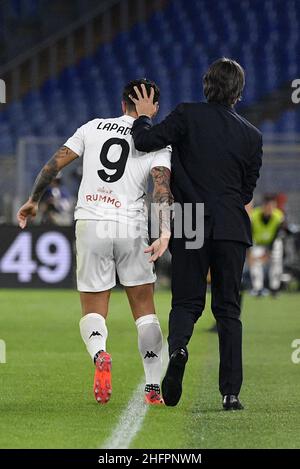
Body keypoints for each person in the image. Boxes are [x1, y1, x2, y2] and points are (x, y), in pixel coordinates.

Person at [17, 79, 173, 406]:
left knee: (93, 309)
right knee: (144, 310)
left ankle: (100, 353)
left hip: (90, 222)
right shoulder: (159, 141)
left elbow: (52, 165)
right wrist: (164, 232)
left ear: (121, 104)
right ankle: (153, 386)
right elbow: (161, 190)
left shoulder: (92, 127)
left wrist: (33, 200)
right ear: (154, 108)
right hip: (130, 227)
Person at [130, 58, 263, 410]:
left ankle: (179, 350)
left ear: (207, 86)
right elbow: (247, 191)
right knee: (228, 312)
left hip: (190, 218)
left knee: (187, 302)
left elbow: (145, 141)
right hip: (232, 225)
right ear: (239, 92)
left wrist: (143, 115)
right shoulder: (252, 135)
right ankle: (230, 394)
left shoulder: (187, 114)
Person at [249, 194, 284, 296]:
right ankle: (258, 288)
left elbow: (278, 236)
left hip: (272, 243)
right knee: (255, 260)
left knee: (276, 260)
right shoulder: (254, 215)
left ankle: (274, 288)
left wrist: (268, 253)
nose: (270, 208)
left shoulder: (279, 216)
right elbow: (250, 233)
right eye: (268, 206)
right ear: (263, 205)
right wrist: (249, 252)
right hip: (258, 243)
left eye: (272, 206)